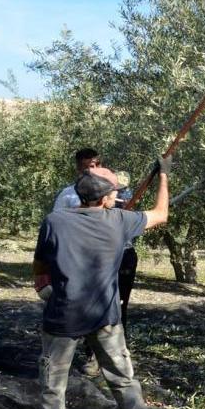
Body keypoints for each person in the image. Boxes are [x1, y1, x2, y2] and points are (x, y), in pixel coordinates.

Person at [29, 157, 171, 409]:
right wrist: (164, 176)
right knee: (122, 380)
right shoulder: (119, 221)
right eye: (115, 193)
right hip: (105, 318)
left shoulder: (55, 221)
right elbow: (161, 214)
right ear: (106, 198)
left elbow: (41, 263)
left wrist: (42, 287)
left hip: (62, 318)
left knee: (53, 389)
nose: (118, 196)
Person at [50, 150, 139, 378]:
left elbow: (131, 220)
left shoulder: (117, 192)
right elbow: (58, 228)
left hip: (121, 255)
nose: (92, 169)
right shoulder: (68, 195)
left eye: (96, 164)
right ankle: (89, 355)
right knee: (86, 306)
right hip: (86, 258)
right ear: (79, 168)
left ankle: (115, 358)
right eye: (87, 166)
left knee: (117, 307)